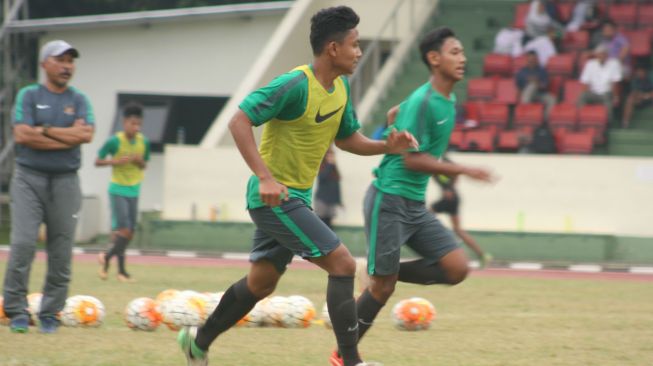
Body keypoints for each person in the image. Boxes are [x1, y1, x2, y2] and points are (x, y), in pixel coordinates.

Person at [177, 6, 417, 366]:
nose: (359, 52)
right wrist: (265, 178)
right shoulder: (294, 84)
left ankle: (198, 340)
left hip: (296, 198)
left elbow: (348, 139)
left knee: (261, 284)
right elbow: (239, 121)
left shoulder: (340, 88)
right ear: (333, 48)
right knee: (343, 264)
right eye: (354, 44)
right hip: (274, 198)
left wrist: (387, 145)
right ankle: (350, 361)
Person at [330, 27, 494, 366]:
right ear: (434, 59)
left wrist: (396, 117)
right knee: (382, 289)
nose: (462, 58)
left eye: (463, 52)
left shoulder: (444, 99)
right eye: (454, 52)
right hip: (388, 199)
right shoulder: (424, 100)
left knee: (456, 268)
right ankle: (344, 357)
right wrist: (464, 170)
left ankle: (378, 271)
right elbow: (411, 159)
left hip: (414, 205)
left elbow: (397, 114)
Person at [2, 40, 94, 334]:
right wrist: (67, 134)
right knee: (24, 243)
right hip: (29, 178)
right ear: (45, 64)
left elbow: (86, 135)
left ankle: (50, 313)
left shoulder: (80, 100)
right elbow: (22, 135)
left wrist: (43, 129)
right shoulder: (29, 95)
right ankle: (16, 310)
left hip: (66, 180)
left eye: (71, 60)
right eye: (60, 59)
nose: (67, 65)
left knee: (61, 249)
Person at [96, 102, 150, 282]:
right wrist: (116, 162)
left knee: (127, 233)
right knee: (124, 230)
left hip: (134, 189)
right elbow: (98, 161)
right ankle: (110, 260)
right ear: (124, 122)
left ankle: (115, 268)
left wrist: (138, 161)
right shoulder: (114, 141)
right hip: (118, 188)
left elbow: (145, 165)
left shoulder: (143, 142)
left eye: (139, 124)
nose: (136, 128)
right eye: (132, 123)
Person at [430, 158, 492, 267]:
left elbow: (456, 172)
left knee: (425, 220)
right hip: (452, 197)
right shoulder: (432, 160)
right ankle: (482, 255)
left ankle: (446, 246)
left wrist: (449, 188)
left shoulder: (441, 159)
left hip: (450, 197)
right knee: (458, 229)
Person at [578, 44, 622, 122]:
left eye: (604, 53)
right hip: (593, 93)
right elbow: (585, 82)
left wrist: (616, 97)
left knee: (607, 99)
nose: (602, 56)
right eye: (600, 54)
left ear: (607, 55)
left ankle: (607, 124)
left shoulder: (614, 63)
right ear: (596, 55)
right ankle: (580, 120)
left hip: (607, 93)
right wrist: (587, 92)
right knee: (583, 95)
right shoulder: (590, 64)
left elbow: (616, 82)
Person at [515, 50, 556, 118]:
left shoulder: (542, 71)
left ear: (537, 59)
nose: (532, 61)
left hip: (539, 93)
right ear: (527, 60)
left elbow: (545, 86)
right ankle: (526, 116)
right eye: (530, 59)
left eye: (534, 59)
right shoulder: (521, 72)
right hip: (525, 94)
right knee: (531, 86)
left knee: (552, 99)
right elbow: (518, 88)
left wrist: (536, 82)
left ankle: (545, 121)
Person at [315, 146, 342, 229]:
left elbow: (337, 186)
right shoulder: (323, 167)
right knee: (321, 222)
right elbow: (322, 178)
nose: (331, 157)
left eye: (332, 155)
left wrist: (339, 200)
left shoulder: (334, 169)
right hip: (322, 200)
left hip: (331, 201)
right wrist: (330, 165)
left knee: (329, 223)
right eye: (329, 155)